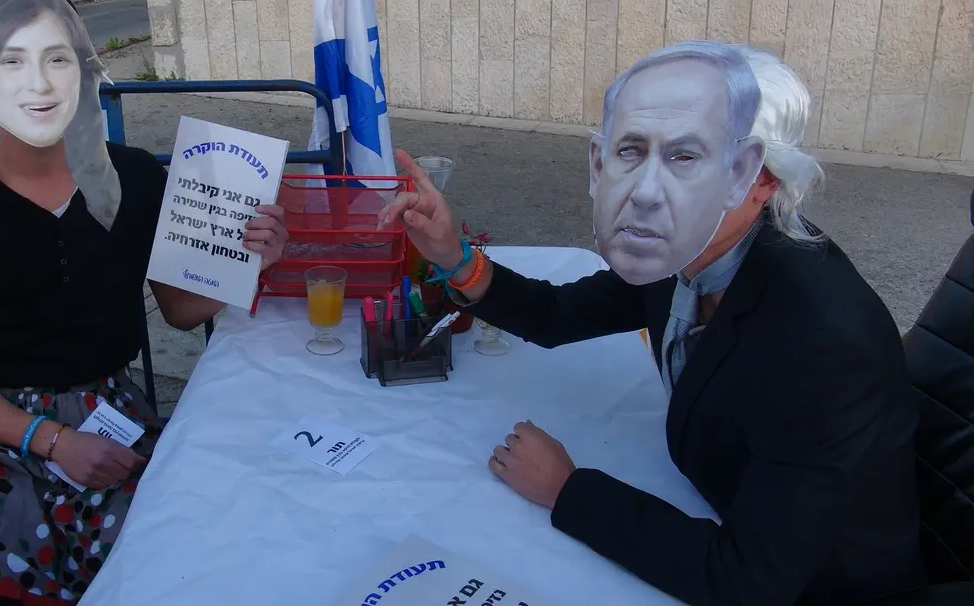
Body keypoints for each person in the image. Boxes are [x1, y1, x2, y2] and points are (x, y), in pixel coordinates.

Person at [381, 41, 924, 605]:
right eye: (632, 151)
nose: (643, 192)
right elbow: (556, 314)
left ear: (760, 179)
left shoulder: (822, 345)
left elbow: (748, 583)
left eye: (687, 158)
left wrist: (567, 490)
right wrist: (454, 257)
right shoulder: (689, 252)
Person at [0, 0, 290, 605]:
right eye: (11, 61)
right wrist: (52, 440)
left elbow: (181, 310)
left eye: (57, 58)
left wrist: (249, 264)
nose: (39, 84)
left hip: (110, 417)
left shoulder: (136, 179)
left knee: (188, 567)